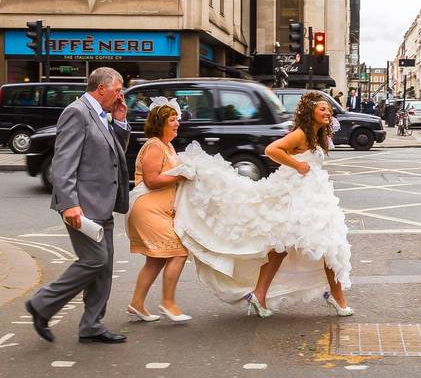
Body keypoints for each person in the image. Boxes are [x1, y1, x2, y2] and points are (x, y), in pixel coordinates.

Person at [172, 92, 353, 318]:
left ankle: (262, 294)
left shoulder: (317, 135)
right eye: (322, 109)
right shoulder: (300, 134)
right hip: (298, 196)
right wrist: (298, 165)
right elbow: (272, 150)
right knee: (323, 244)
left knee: (288, 247)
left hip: (313, 193)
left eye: (329, 110)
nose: (328, 113)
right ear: (310, 113)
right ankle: (335, 298)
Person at [27, 68, 131, 345]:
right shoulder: (77, 112)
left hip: (102, 201)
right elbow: (63, 161)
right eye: (118, 89)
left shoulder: (101, 114)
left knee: (104, 266)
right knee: (95, 260)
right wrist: (70, 203)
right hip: (82, 205)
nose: (121, 95)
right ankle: (41, 303)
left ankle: (91, 326)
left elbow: (114, 154)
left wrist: (120, 122)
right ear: (101, 89)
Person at [125, 98, 190, 323]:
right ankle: (168, 303)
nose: (177, 123)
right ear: (160, 122)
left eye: (177, 119)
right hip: (148, 210)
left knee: (156, 260)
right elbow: (152, 181)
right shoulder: (154, 146)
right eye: (172, 120)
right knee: (179, 252)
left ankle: (136, 304)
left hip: (160, 211)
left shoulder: (167, 146)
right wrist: (181, 174)